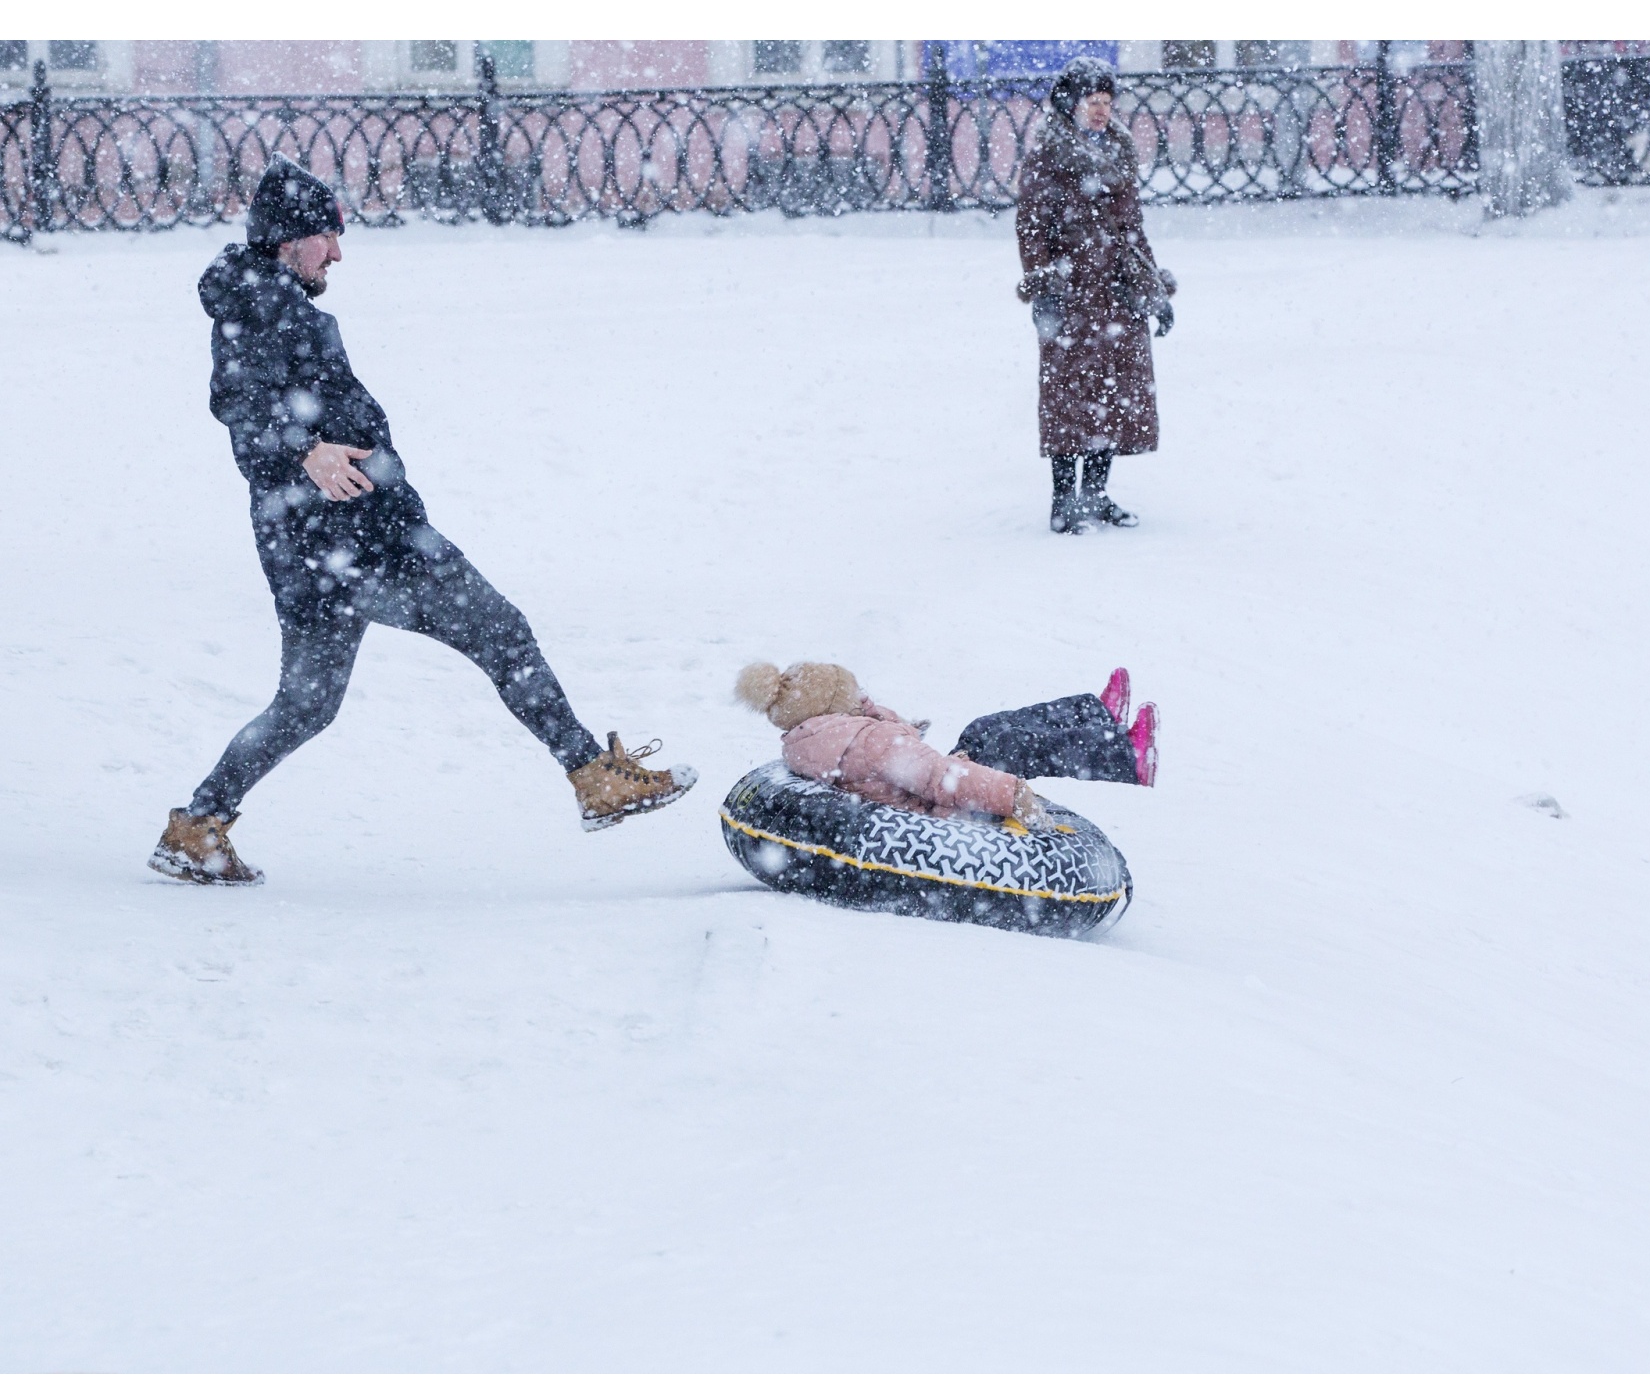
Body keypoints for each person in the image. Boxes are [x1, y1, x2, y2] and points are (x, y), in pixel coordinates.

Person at [149, 157, 696, 887]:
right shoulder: (260, 307)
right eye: (327, 236)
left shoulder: (267, 299)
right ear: (289, 240)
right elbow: (238, 407)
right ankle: (594, 776)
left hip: (321, 547)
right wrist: (305, 450)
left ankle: (197, 826)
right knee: (502, 633)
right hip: (360, 543)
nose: (338, 252)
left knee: (306, 705)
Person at [1015, 56, 1177, 535]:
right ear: (1071, 103)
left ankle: (1096, 493)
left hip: (1117, 291)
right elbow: (1031, 228)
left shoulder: (1119, 150)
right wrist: (1044, 286)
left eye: (1107, 102)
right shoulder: (1049, 153)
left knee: (1115, 393)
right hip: (1071, 293)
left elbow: (1132, 229)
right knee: (1071, 396)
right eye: (1093, 101)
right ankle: (1064, 503)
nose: (1102, 110)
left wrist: (1153, 289)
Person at [734, 661, 1158, 824]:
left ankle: (1098, 717)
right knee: (1009, 742)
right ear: (832, 705)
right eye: (852, 690)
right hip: (943, 810)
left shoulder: (817, 737)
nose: (863, 694)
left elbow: (882, 751)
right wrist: (1013, 795)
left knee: (984, 729)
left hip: (919, 791)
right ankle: (1125, 757)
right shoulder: (869, 742)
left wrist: (888, 720)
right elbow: (939, 778)